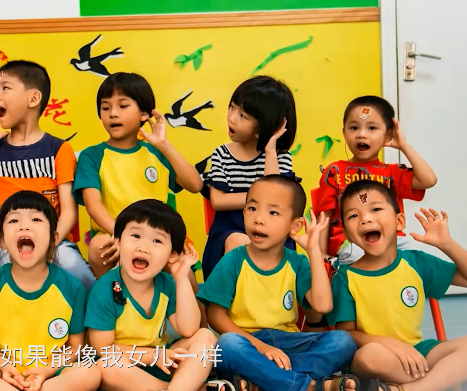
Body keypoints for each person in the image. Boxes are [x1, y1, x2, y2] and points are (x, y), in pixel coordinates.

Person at [198, 175, 359, 391]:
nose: (259, 219)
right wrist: (261, 348)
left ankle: (264, 380)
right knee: (226, 346)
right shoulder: (233, 261)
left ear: (295, 225)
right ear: (244, 212)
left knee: (343, 342)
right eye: (252, 208)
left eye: (272, 212)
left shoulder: (297, 262)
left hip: (290, 344)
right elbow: (215, 317)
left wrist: (313, 250)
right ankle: (308, 386)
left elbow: (323, 305)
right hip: (247, 343)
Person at [0, 60, 95, 290]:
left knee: (78, 272)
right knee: (3, 279)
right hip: (2, 241)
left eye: (5, 88)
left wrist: (50, 242)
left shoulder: (59, 150)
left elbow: (69, 212)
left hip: (52, 238)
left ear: (33, 99)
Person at [0, 191, 101, 391]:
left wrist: (47, 370)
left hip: (51, 375)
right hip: (5, 376)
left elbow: (75, 346)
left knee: (89, 372)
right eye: (13, 220)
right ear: (1, 241)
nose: (24, 226)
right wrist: (5, 368)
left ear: (54, 238)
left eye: (36, 219)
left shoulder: (72, 287)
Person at [328, 180, 467, 391]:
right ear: (347, 235)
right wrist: (389, 343)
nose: (365, 219)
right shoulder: (345, 278)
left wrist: (448, 245)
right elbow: (347, 334)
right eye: (353, 215)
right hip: (378, 356)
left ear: (399, 221)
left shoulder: (416, 262)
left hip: (419, 352)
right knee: (368, 356)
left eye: (375, 209)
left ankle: (404, 389)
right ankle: (441, 380)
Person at [73, 73, 204, 279]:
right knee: (99, 246)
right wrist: (124, 236)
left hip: (159, 236)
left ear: (144, 114)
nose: (113, 114)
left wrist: (164, 145)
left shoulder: (156, 153)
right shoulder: (92, 156)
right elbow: (93, 206)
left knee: (183, 272)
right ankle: (111, 298)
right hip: (114, 233)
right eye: (105, 108)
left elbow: (195, 185)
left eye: (123, 106)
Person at [84, 199, 216, 391]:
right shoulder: (105, 289)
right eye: (136, 236)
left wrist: (181, 278)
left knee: (204, 336)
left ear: (171, 255)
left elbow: (188, 330)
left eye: (157, 241)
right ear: (118, 242)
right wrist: (152, 356)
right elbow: (103, 348)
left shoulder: (167, 283)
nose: (143, 247)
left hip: (160, 362)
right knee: (106, 365)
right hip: (124, 367)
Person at [313, 96, 437, 265]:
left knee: (415, 261)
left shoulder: (393, 172)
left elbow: (429, 180)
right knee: (358, 256)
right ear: (344, 132)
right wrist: (320, 252)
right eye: (354, 127)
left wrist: (404, 145)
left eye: (371, 128)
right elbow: (324, 215)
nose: (361, 134)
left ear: (388, 135)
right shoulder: (334, 172)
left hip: (392, 239)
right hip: (352, 242)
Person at [200, 76, 298, 280]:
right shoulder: (222, 154)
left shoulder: (279, 156)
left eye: (243, 116)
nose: (232, 118)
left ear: (265, 127)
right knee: (241, 244)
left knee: (274, 251)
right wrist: (258, 199)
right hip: (230, 229)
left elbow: (276, 197)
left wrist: (270, 152)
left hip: (271, 231)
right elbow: (218, 201)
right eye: (232, 107)